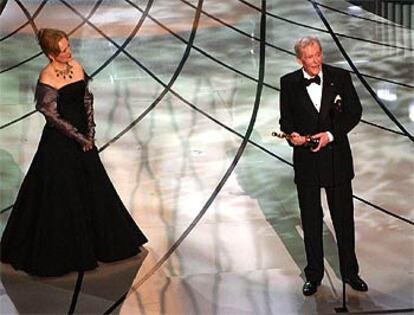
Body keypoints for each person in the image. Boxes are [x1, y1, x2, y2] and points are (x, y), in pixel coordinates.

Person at [0, 28, 148, 277]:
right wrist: (80, 138)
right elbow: (52, 116)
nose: (69, 52)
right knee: (59, 193)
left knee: (94, 189)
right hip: (60, 143)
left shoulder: (77, 66)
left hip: (84, 138)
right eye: (63, 50)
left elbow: (86, 99)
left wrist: (90, 131)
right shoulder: (46, 77)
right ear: (50, 54)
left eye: (68, 47)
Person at [279, 36, 368, 296]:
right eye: (310, 56)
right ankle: (314, 274)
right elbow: (286, 120)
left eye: (318, 54)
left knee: (343, 219)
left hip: (336, 159)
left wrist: (330, 135)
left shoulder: (339, 77)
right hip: (307, 162)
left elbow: (354, 112)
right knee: (311, 219)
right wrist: (292, 136)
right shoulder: (288, 83)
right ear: (300, 60)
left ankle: (350, 272)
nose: (316, 60)